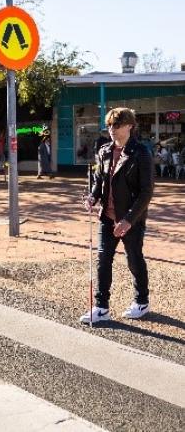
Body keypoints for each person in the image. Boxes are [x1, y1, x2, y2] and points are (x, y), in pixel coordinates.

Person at [81, 107, 154, 324]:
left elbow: (146, 192)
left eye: (117, 125)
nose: (112, 129)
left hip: (131, 220)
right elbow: (99, 181)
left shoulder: (141, 153)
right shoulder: (104, 151)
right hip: (107, 216)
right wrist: (93, 197)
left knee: (134, 259)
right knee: (103, 259)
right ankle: (101, 307)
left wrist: (128, 220)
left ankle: (141, 302)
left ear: (129, 126)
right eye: (110, 125)